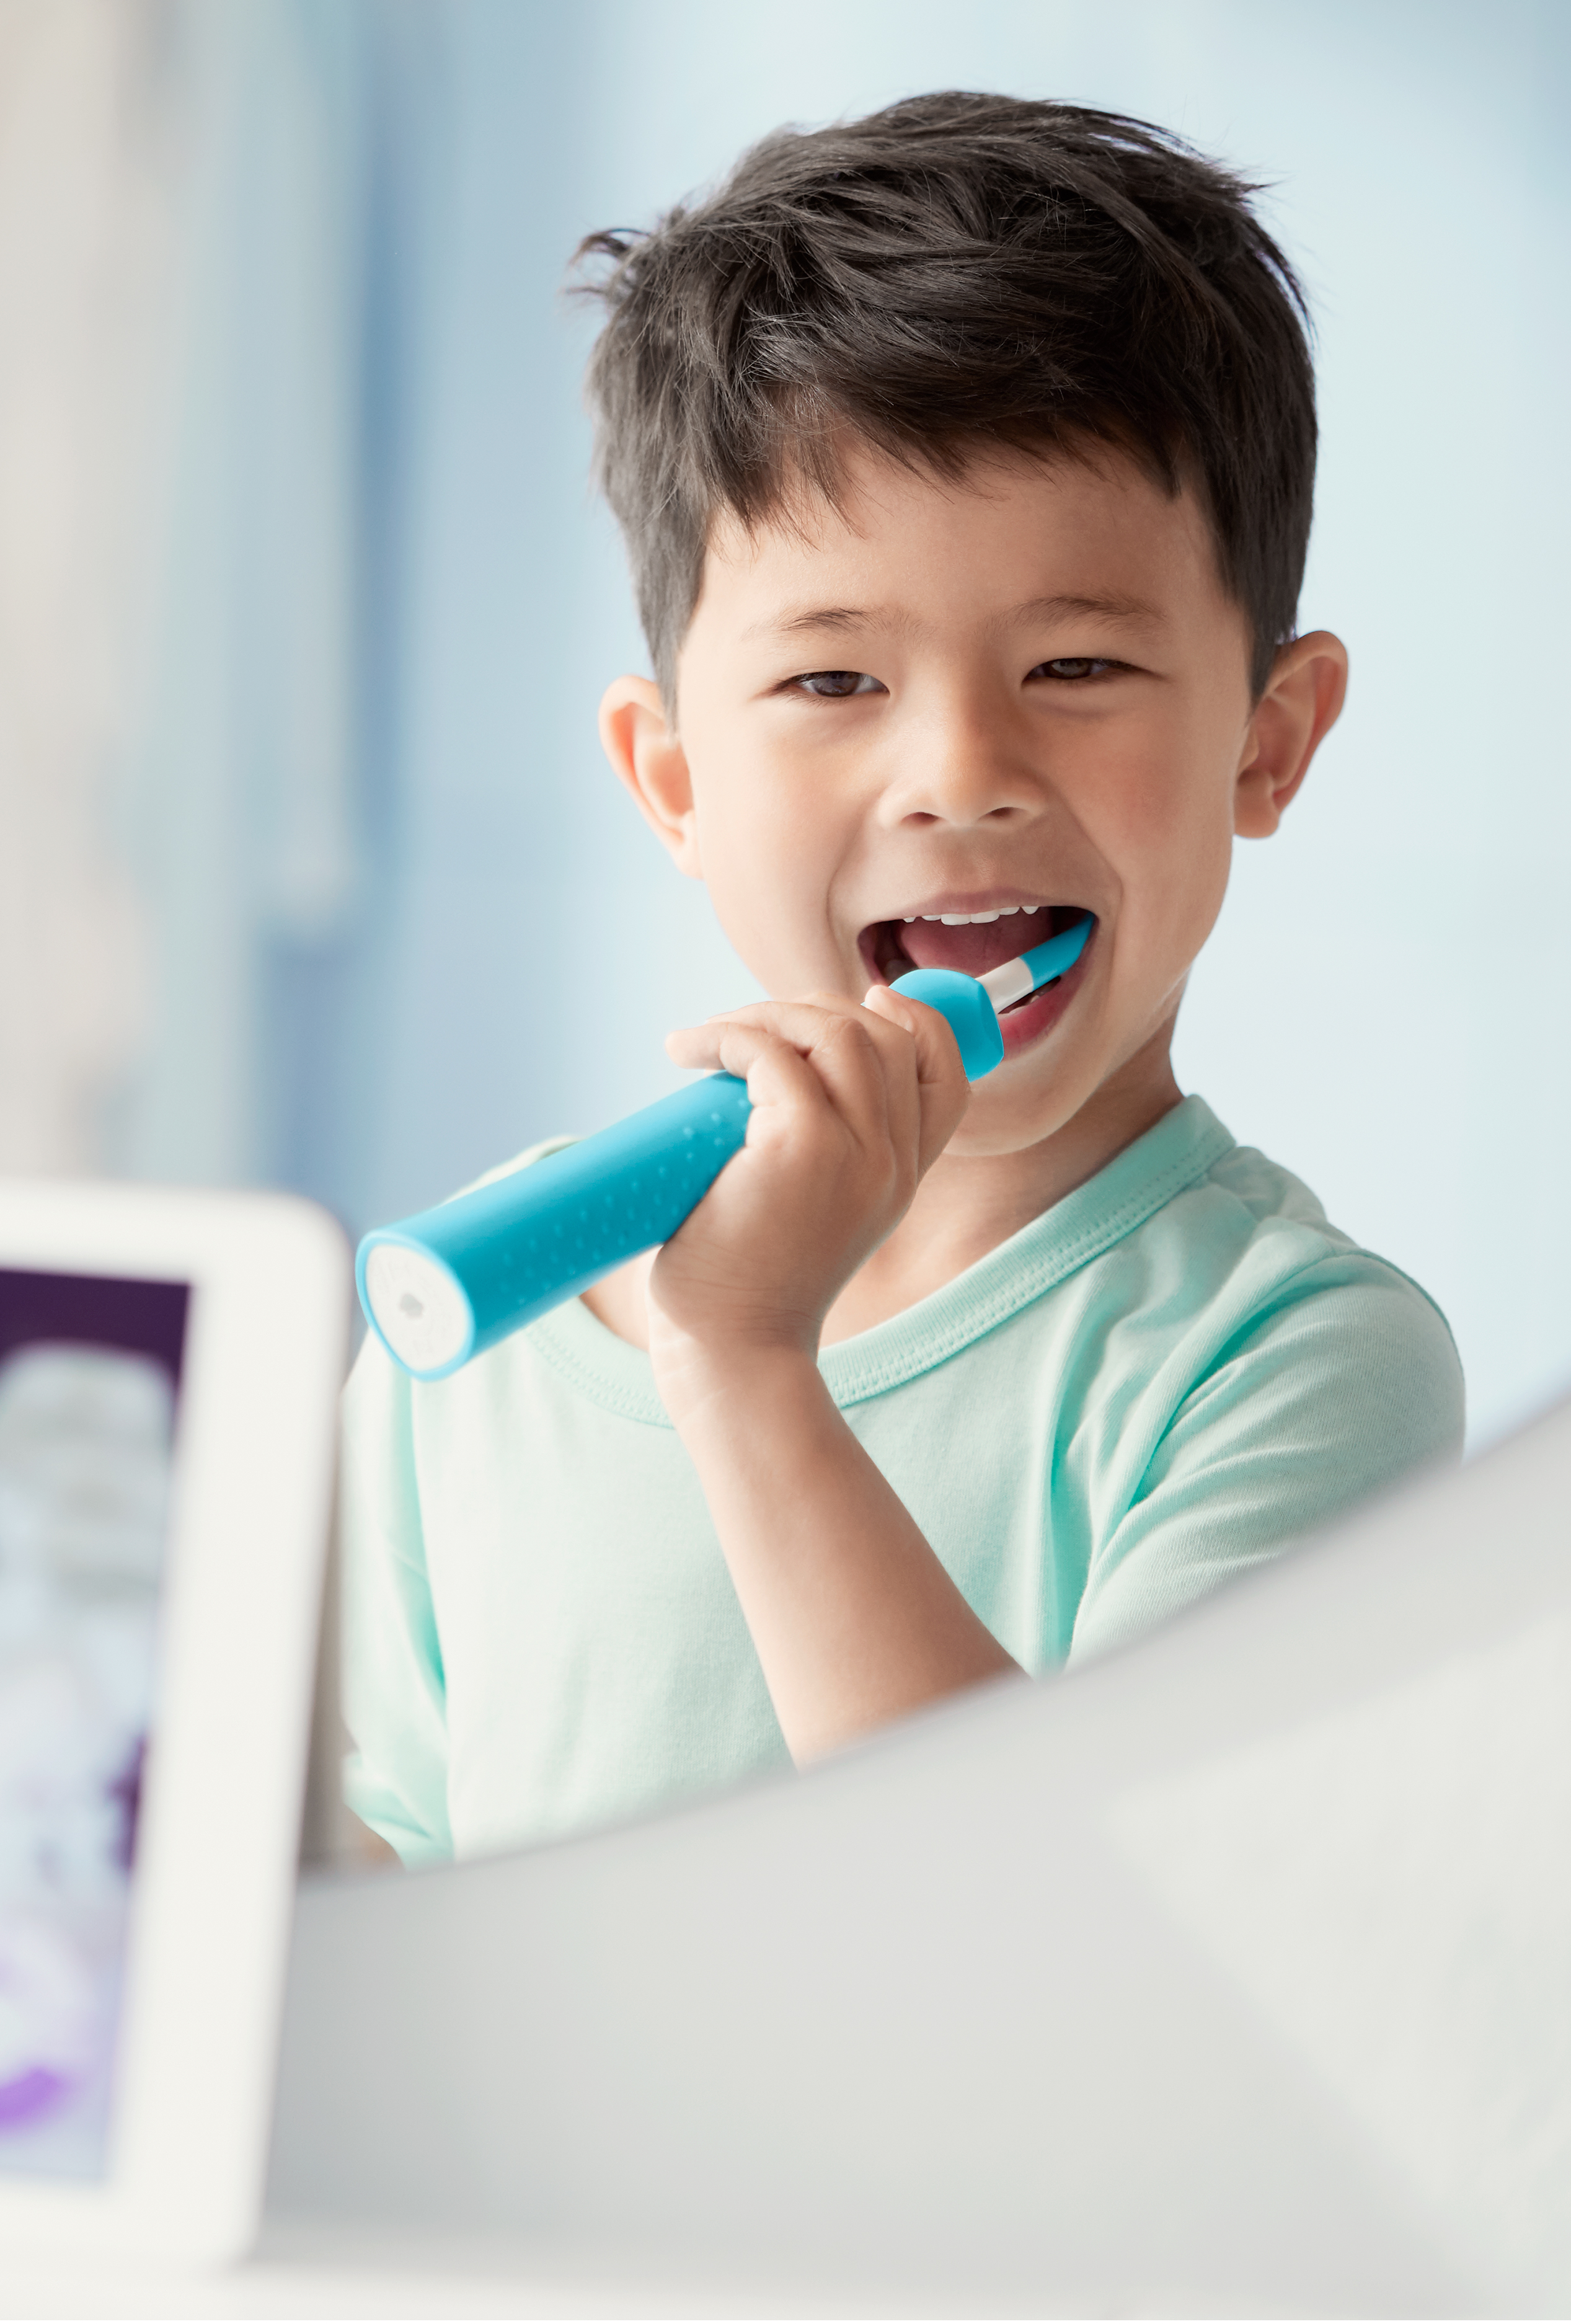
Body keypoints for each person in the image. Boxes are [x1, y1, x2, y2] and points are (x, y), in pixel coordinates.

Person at [339, 92, 1463, 1869]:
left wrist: (749, 1365)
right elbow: (382, 1877)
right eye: (833, 683)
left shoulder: (1290, 1361)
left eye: (1078, 662)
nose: (960, 771)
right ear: (677, 787)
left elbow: (1075, 1960)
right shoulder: (489, 1324)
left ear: (1269, 740)